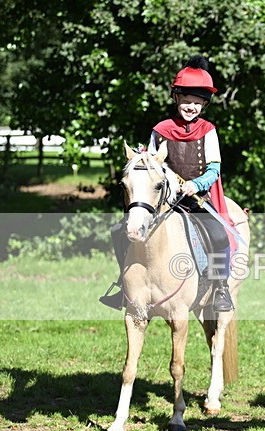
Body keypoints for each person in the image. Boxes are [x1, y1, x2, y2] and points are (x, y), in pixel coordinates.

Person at [100, 55, 234, 312]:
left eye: (197, 103)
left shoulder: (208, 130)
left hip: (196, 199)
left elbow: (214, 168)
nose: (191, 107)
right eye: (186, 101)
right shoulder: (160, 129)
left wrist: (196, 184)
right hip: (164, 201)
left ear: (204, 105)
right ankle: (124, 285)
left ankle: (221, 289)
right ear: (176, 99)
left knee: (219, 235)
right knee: (120, 231)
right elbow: (152, 164)